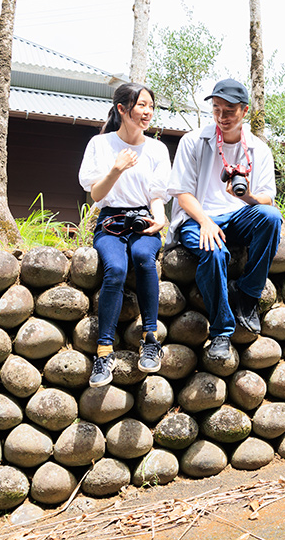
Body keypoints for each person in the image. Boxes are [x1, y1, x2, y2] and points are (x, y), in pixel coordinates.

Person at [166, 78, 282, 361]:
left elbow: (267, 198)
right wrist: (205, 221)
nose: (221, 117)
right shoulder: (193, 141)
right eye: (216, 109)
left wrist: (246, 196)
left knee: (270, 217)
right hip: (198, 217)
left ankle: (247, 295)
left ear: (244, 111)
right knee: (215, 252)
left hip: (239, 215)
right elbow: (182, 194)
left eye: (229, 111)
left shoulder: (258, 149)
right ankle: (221, 332)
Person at [78, 82, 171, 387]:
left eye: (150, 106)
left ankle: (150, 339)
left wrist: (160, 217)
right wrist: (116, 169)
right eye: (141, 105)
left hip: (144, 217)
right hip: (111, 220)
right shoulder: (100, 145)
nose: (148, 112)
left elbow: (156, 194)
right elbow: (96, 194)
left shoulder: (156, 148)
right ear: (122, 109)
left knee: (145, 257)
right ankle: (104, 353)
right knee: (115, 269)